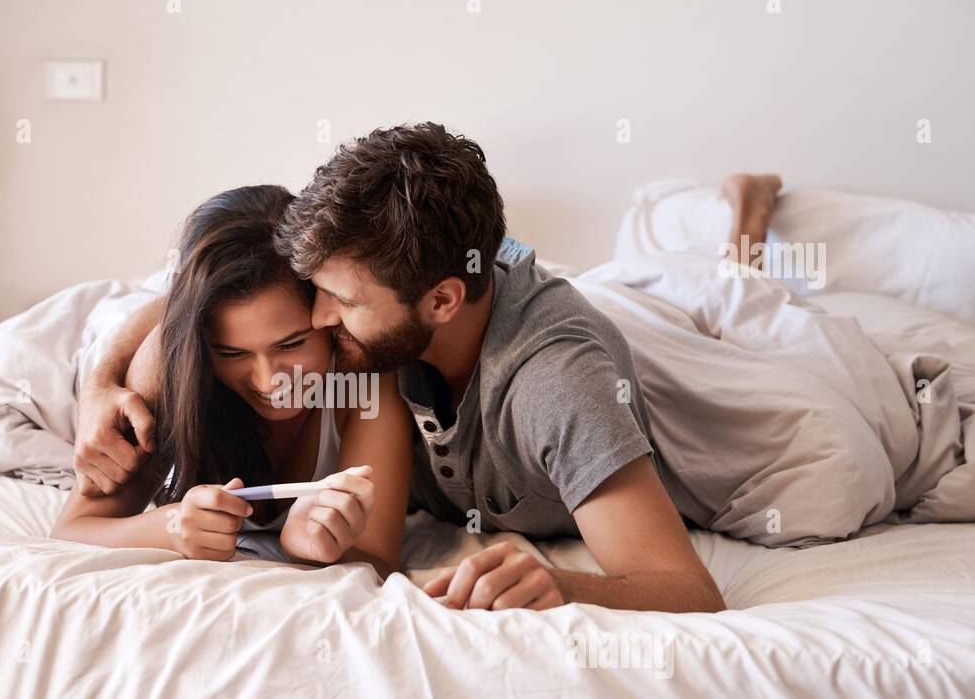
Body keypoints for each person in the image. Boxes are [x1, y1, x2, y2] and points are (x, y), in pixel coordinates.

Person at [73, 124, 781, 613]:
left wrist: (564, 587)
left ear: (439, 301)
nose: (316, 321)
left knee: (732, 308)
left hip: (639, 350)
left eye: (338, 304)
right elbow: (219, 284)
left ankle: (742, 232)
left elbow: (688, 591)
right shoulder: (369, 295)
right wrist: (102, 377)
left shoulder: (557, 386)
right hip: (500, 294)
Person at [52, 184, 411, 578]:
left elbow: (376, 557)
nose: (269, 380)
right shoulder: (169, 364)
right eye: (231, 353)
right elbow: (72, 529)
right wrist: (170, 529)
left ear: (328, 313)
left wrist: (306, 549)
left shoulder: (363, 383)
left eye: (291, 344)